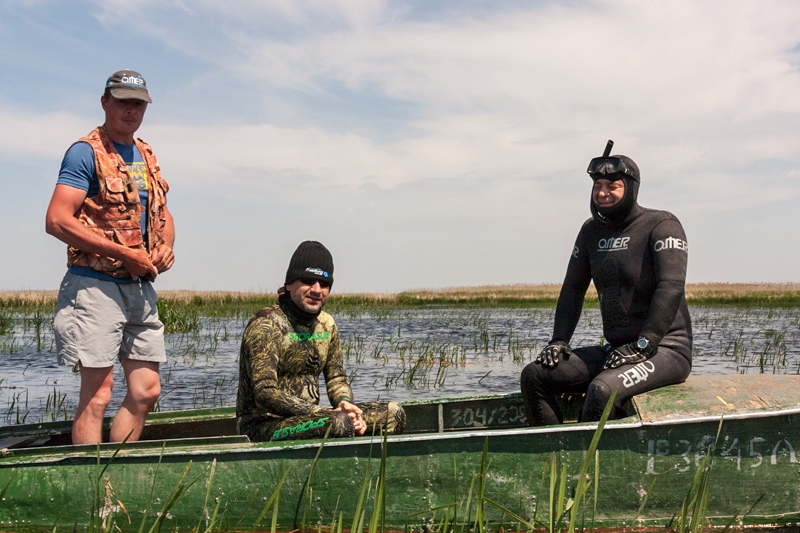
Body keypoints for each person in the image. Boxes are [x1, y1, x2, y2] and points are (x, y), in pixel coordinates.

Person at [520, 141, 692, 425]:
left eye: (613, 186)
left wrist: (644, 345)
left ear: (631, 188)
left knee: (601, 390)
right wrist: (559, 340)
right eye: (598, 185)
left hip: (665, 351)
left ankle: (590, 467)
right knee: (535, 375)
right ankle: (554, 459)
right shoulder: (590, 231)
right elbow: (573, 290)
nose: (603, 193)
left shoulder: (661, 225)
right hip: (617, 351)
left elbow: (670, 287)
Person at [45, 70, 174, 444]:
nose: (131, 110)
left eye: (138, 104)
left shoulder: (146, 155)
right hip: (94, 287)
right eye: (123, 102)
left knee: (146, 390)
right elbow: (56, 220)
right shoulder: (85, 152)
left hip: (139, 289)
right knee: (98, 394)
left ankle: (119, 473)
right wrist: (122, 253)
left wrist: (165, 247)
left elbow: (163, 216)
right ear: (105, 102)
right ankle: (93, 489)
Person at [237, 241, 405, 442]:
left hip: (315, 418)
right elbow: (265, 392)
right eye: (308, 281)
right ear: (289, 283)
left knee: (394, 414)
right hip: (262, 426)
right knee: (339, 423)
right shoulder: (265, 324)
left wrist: (345, 405)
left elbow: (336, 379)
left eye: (324, 284)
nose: (317, 290)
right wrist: (322, 413)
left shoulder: (327, 324)